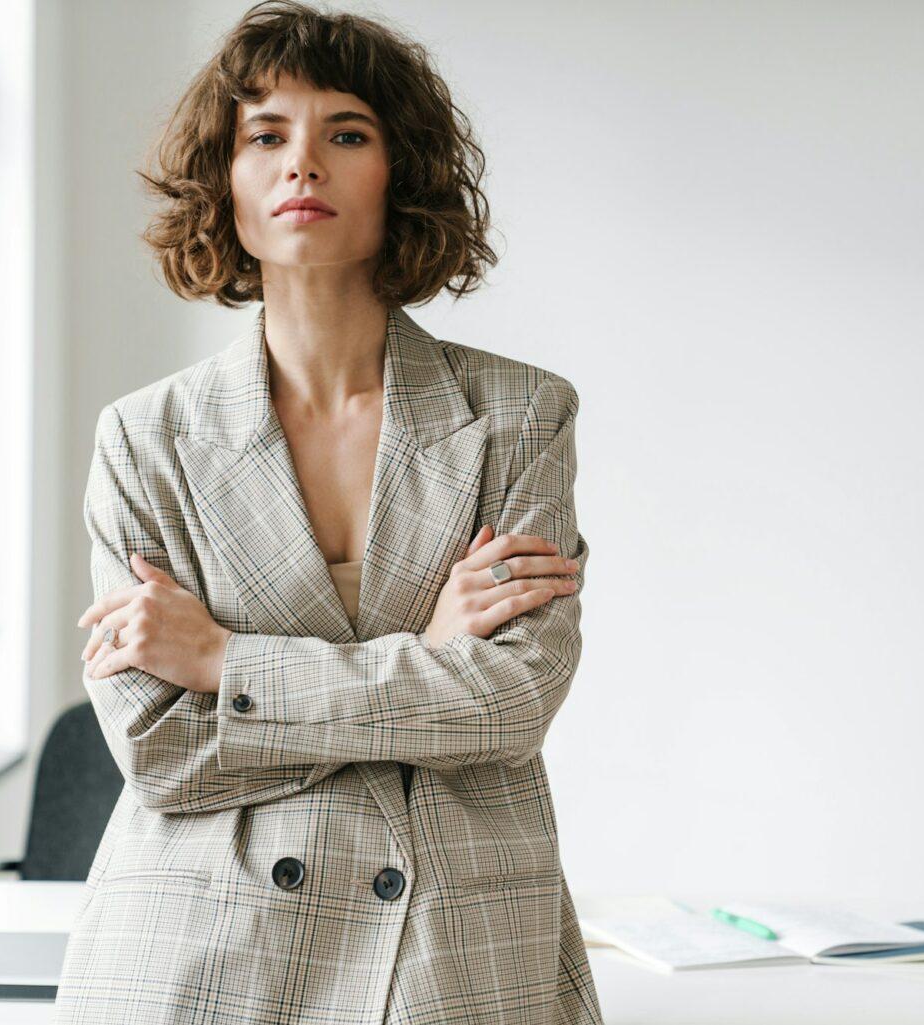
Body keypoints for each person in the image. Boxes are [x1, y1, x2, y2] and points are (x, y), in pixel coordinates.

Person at [52, 2, 600, 1023]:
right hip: (203, 947)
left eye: (346, 132)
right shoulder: (145, 437)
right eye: (266, 135)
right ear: (225, 180)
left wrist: (226, 662)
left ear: (403, 172)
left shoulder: (521, 413)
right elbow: (160, 747)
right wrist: (427, 653)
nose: (303, 163)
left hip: (453, 945)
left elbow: (512, 698)